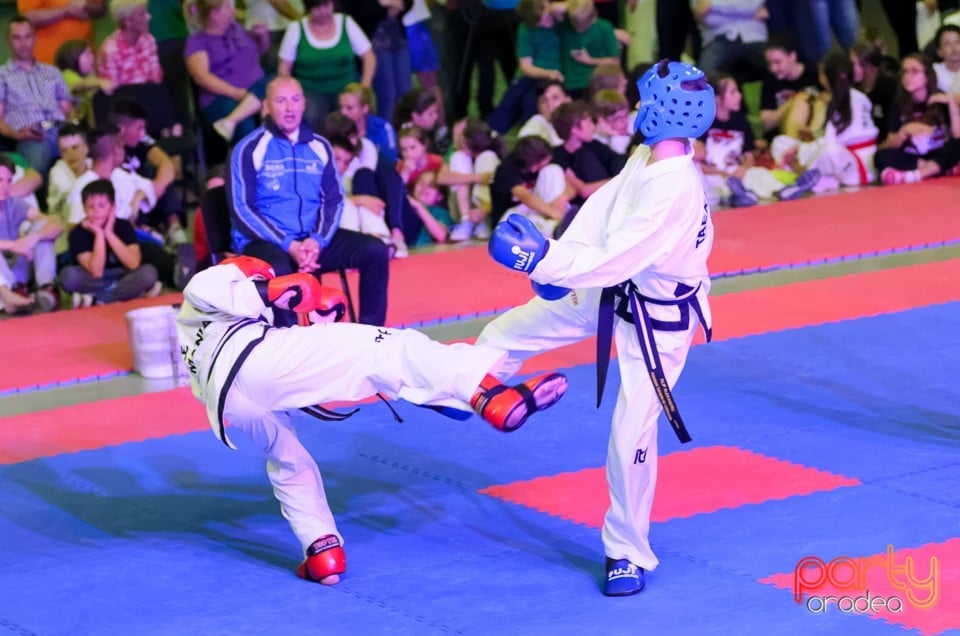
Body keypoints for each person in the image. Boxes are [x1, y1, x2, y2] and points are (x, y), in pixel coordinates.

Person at [176, 254, 568, 585]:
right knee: (391, 347)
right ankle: (487, 395)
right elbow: (227, 292)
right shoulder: (216, 279)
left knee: (287, 460)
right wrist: (273, 290)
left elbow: (307, 357)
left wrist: (317, 315)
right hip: (254, 362)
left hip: (229, 402)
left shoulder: (199, 331)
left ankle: (322, 551)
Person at [478, 60, 716, 597]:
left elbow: (622, 255)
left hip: (658, 326)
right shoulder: (649, 157)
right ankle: (466, 387)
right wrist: (557, 259)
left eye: (643, 100)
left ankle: (626, 552)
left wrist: (544, 261)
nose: (636, 108)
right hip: (612, 289)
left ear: (663, 111)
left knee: (630, 438)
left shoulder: (673, 189)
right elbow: (604, 209)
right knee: (506, 333)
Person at [230, 76, 391, 327]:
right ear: (266, 107)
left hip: (311, 242)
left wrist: (316, 241)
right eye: (281, 101)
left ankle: (373, 335)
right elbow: (242, 210)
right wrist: (289, 244)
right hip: (265, 243)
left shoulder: (321, 146)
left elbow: (334, 201)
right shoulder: (248, 148)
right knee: (282, 271)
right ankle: (290, 346)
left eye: (295, 99)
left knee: (375, 251)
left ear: (304, 103)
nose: (289, 108)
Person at [277, 0, 375, 130]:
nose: (322, 11)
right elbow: (284, 69)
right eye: (317, 7)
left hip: (346, 87)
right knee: (312, 115)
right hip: (310, 90)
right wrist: (292, 96)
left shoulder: (346, 22)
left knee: (355, 111)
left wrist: (365, 86)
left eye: (326, 6)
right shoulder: (296, 28)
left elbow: (369, 57)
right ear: (308, 8)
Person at [59, 178, 159, 305]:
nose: (96, 211)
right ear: (84, 209)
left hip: (122, 276)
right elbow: (96, 271)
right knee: (69, 276)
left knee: (148, 273)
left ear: (112, 207)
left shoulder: (124, 226)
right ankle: (121, 296)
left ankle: (97, 299)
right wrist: (99, 234)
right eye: (90, 207)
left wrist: (109, 233)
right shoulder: (78, 233)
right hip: (94, 279)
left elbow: (133, 263)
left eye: (101, 206)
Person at [184, 0, 270, 143]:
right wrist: (237, 93)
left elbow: (262, 50)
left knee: (279, 88)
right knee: (245, 122)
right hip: (221, 98)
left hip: (256, 89)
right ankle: (248, 162)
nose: (232, 9)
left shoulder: (238, 29)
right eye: (227, 6)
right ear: (214, 14)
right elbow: (201, 77)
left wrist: (262, 36)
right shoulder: (197, 42)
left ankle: (230, 121)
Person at [0, 16, 73, 176]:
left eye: (27, 37)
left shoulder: (52, 72)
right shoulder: (2, 75)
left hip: (61, 130)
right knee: (38, 155)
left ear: (34, 38)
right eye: (17, 38)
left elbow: (67, 109)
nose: (23, 43)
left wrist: (73, 128)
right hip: (30, 136)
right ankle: (38, 200)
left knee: (92, 148)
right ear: (8, 41)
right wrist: (17, 134)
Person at [875, 53, 960, 185]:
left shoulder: (940, 97)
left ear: (927, 76)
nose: (908, 77)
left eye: (914, 71)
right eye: (905, 72)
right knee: (880, 157)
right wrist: (904, 131)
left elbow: (957, 135)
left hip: (939, 153)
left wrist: (951, 103)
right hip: (915, 157)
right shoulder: (898, 103)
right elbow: (890, 143)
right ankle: (939, 169)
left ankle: (918, 175)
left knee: (957, 146)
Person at [0, 154, 62, 313]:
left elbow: (56, 224)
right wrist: (14, 245)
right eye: (0, 180)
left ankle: (45, 289)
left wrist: (32, 239)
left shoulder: (13, 203)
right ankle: (8, 296)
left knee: (42, 228)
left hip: (16, 269)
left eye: (8, 181)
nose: (5, 187)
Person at [97, 0, 163, 88]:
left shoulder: (148, 40)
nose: (148, 17)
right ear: (128, 21)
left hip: (149, 96)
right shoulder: (111, 49)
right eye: (142, 14)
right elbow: (111, 89)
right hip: (123, 99)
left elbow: (156, 78)